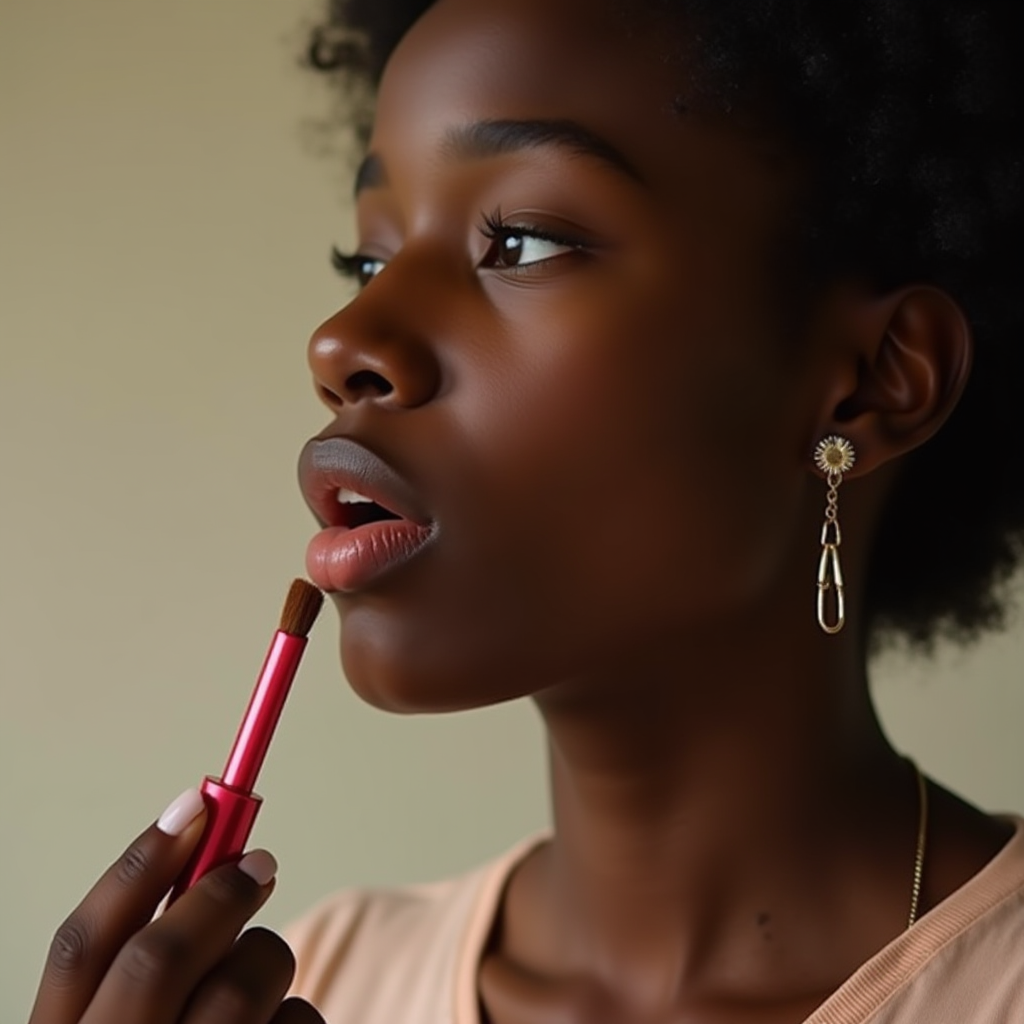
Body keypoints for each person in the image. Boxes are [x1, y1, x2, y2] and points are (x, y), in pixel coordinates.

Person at [25, 0, 1024, 1021]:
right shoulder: (314, 982)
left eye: (524, 241)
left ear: (870, 382)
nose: (344, 338)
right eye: (367, 259)